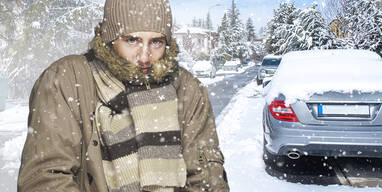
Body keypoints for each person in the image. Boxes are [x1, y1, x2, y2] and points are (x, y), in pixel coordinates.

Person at [17, 0, 229, 191]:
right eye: (132, 40)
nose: (145, 56)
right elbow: (45, 178)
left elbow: (206, 177)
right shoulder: (68, 80)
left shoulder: (187, 89)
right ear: (110, 39)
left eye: (156, 42)